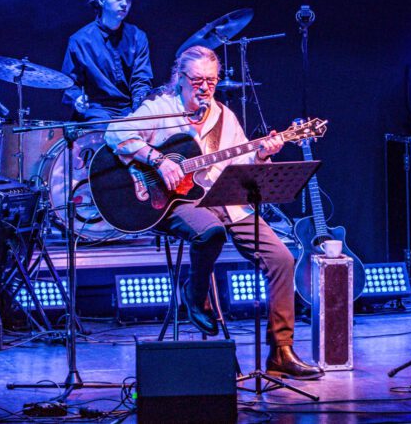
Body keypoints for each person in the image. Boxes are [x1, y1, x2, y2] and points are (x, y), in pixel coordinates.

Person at [104, 45, 322, 379]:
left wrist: (262, 155)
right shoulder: (160, 108)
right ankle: (195, 295)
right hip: (176, 201)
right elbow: (115, 132)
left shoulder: (224, 116)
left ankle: (281, 350)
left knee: (282, 259)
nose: (205, 87)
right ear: (180, 78)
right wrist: (158, 160)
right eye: (197, 80)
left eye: (211, 80)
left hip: (225, 199)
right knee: (210, 232)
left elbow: (242, 165)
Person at [61, 0, 153, 120]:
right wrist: (77, 99)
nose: (124, 4)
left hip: (129, 110)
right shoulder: (79, 40)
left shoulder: (138, 36)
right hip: (96, 111)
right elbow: (70, 84)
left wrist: (139, 110)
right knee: (106, 128)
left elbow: (141, 80)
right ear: (102, 0)